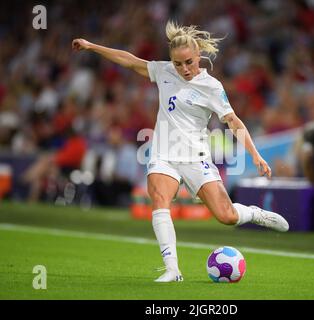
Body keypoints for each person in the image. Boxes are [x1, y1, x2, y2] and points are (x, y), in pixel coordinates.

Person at [72, 21, 289, 283]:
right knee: (160, 198)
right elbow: (129, 61)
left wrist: (255, 155)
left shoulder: (211, 87)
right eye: (178, 63)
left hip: (196, 158)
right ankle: (172, 270)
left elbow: (233, 122)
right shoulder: (164, 72)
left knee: (226, 216)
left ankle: (254, 213)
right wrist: (92, 46)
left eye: (188, 62)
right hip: (164, 155)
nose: (184, 68)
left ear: (199, 56)